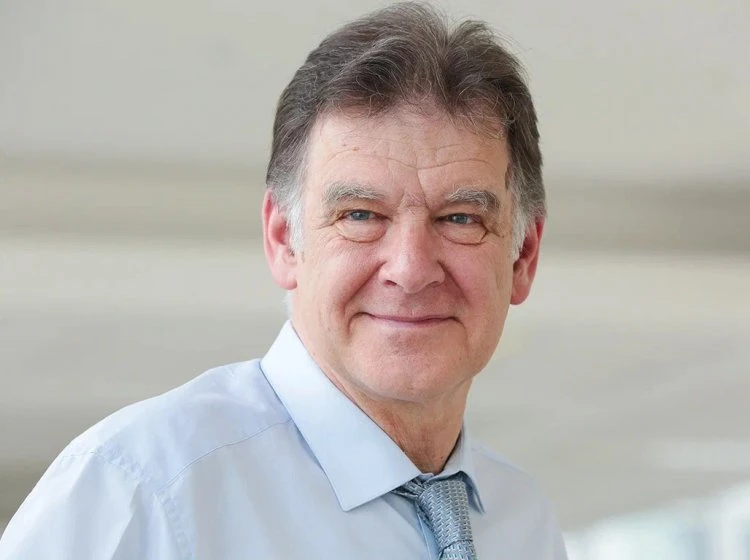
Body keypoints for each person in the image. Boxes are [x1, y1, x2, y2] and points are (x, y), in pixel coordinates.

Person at [0, 3, 568, 558]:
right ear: (283, 240)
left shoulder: (524, 522)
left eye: (461, 219)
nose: (411, 269)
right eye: (360, 215)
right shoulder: (142, 492)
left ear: (523, 256)